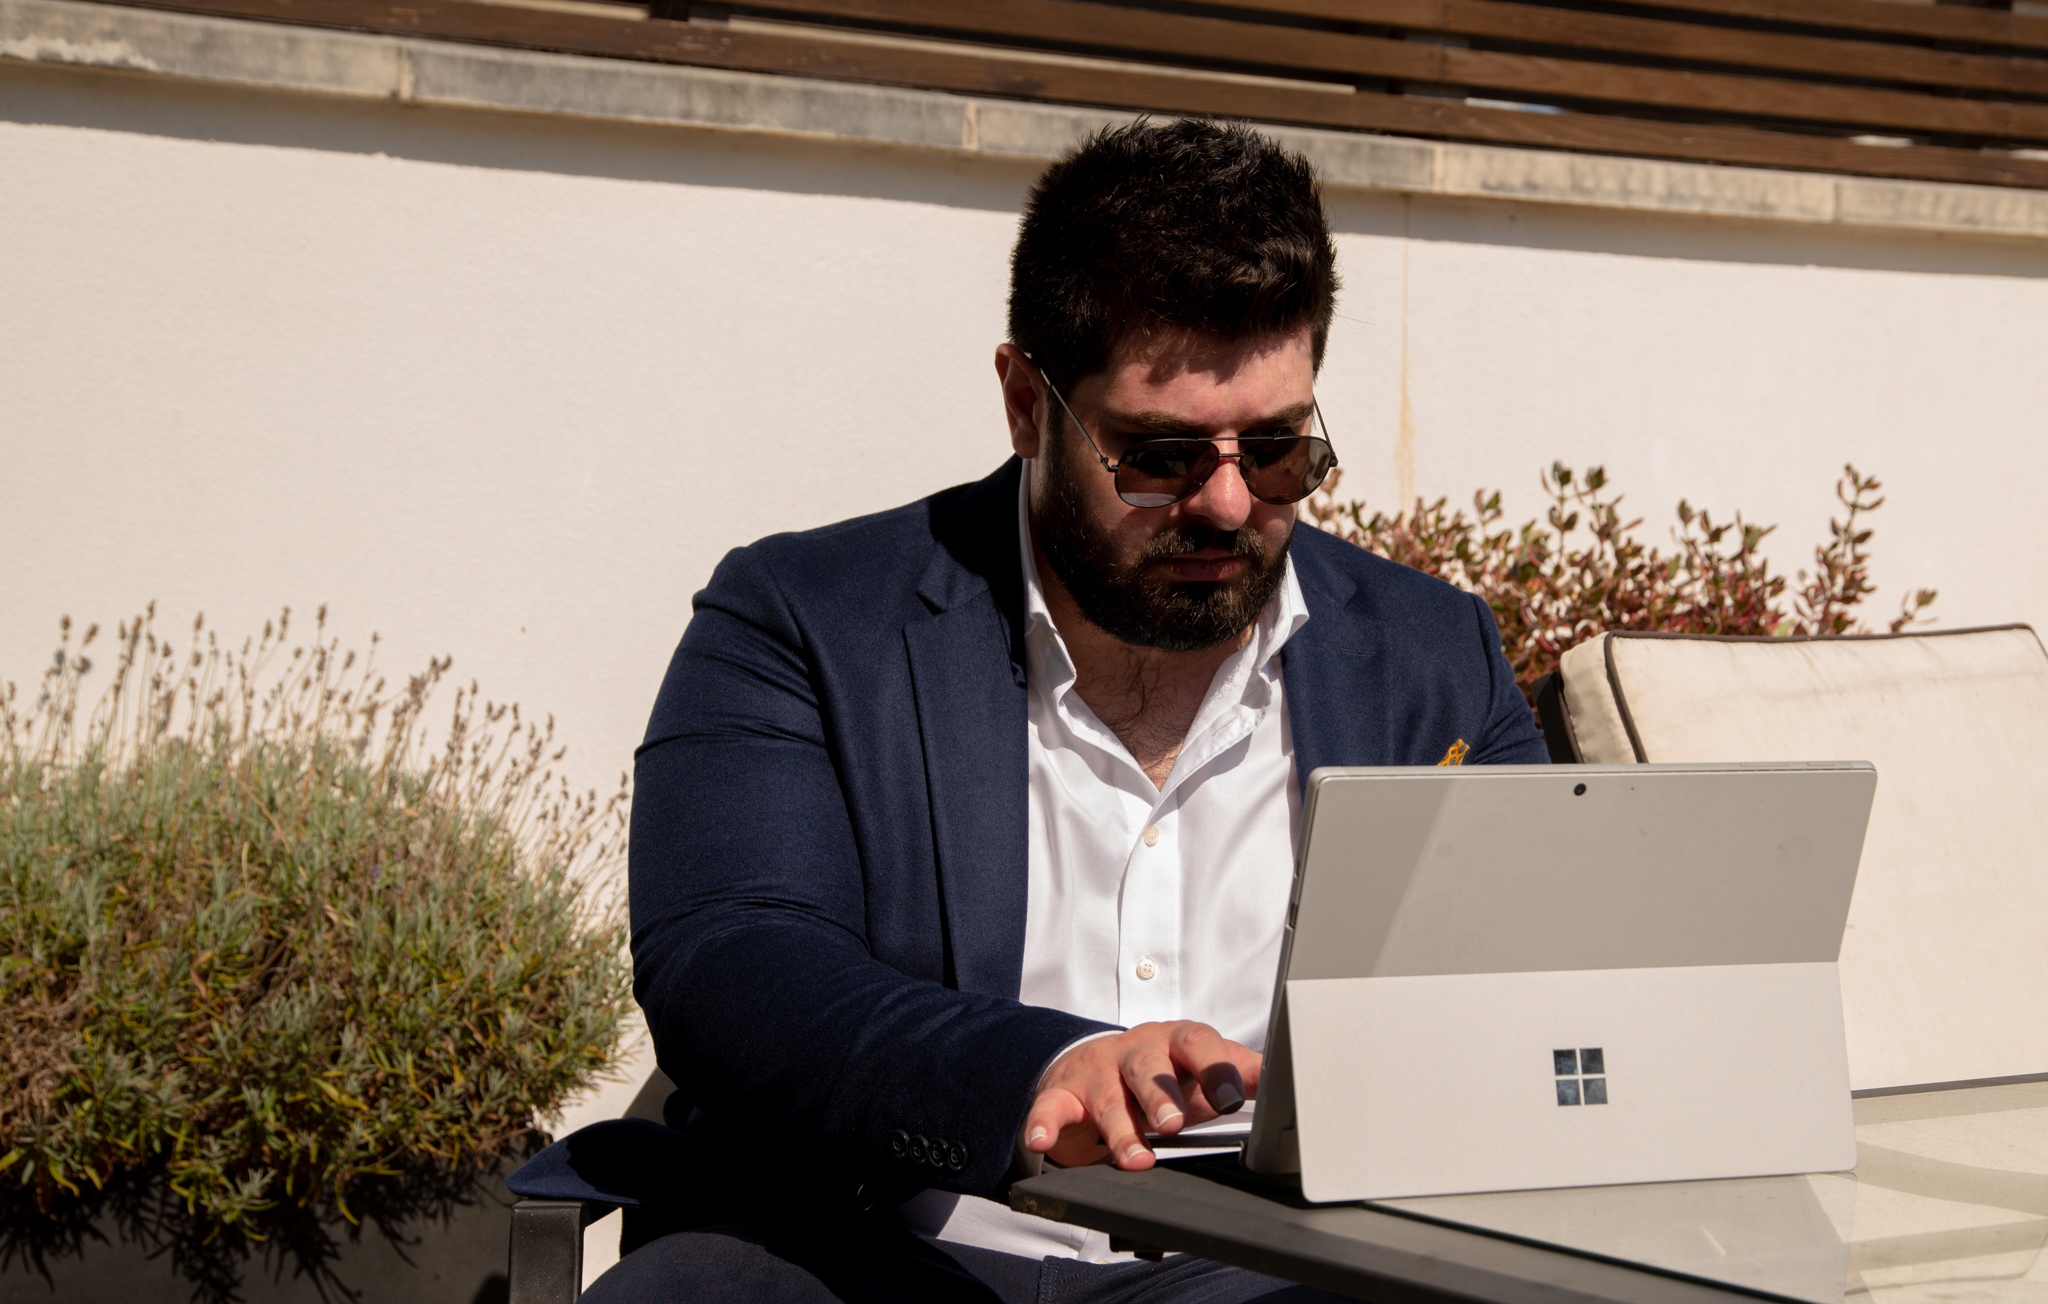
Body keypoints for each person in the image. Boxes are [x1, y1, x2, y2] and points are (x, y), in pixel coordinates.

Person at [578, 118, 1547, 1302]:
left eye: (1276, 448)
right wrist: (1042, 1066)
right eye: (1160, 455)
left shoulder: (1430, 656)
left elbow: (1535, 979)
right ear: (1025, 404)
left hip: (1273, 1275)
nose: (1227, 502)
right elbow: (733, 964)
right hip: (885, 1257)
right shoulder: (804, 619)